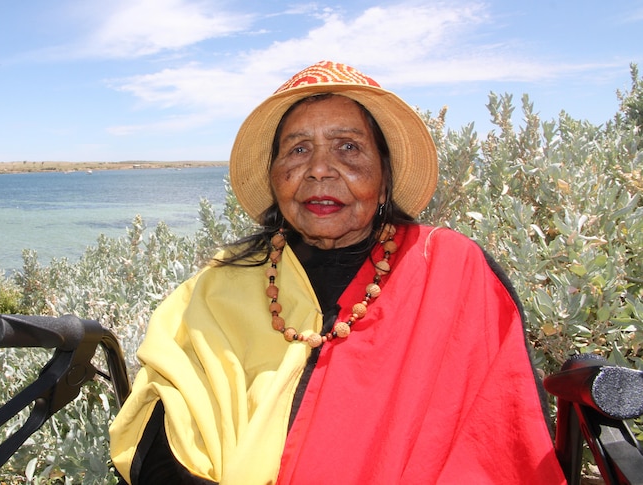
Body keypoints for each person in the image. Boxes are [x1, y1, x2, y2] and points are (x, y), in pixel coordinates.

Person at [109, 61, 567, 484]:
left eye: (348, 148)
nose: (319, 170)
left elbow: (496, 439)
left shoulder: (448, 272)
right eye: (298, 149)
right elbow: (160, 432)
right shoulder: (218, 285)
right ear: (274, 176)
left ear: (384, 175)